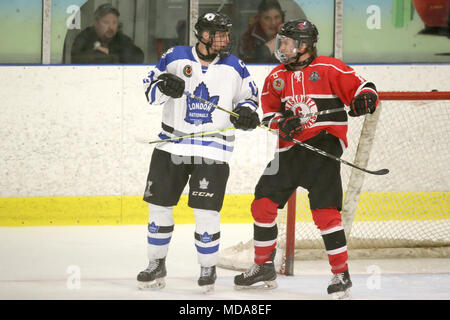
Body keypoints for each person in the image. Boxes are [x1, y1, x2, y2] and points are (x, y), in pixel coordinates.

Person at [234, 19, 379, 299]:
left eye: (287, 42)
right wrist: (281, 123)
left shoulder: (329, 67)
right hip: (289, 150)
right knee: (262, 203)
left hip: (323, 147)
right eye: (281, 42)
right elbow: (269, 116)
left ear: (304, 46)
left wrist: (365, 99)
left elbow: (363, 88)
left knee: (325, 213)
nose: (282, 47)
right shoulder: (276, 76)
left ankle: (341, 274)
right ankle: (263, 265)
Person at [137, 12, 260, 293]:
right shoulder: (174, 56)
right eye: (220, 34)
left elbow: (250, 98)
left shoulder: (235, 66)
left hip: (213, 147)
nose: (226, 39)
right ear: (203, 35)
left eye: (227, 34)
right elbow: (149, 92)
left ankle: (207, 267)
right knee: (159, 208)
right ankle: (156, 263)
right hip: (171, 143)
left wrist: (247, 113)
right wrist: (165, 86)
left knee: (206, 212)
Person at [70, 3, 144, 64]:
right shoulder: (85, 37)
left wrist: (109, 52)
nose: (111, 27)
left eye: (114, 23)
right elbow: (76, 59)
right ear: (96, 23)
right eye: (106, 22)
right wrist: (101, 54)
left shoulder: (120, 38)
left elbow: (138, 57)